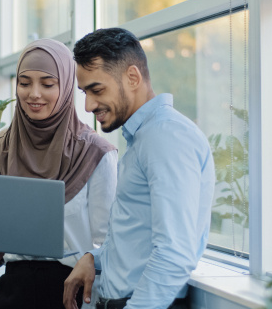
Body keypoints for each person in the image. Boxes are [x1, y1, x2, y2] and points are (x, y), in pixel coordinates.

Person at [63, 28, 216, 309]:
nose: (88, 105)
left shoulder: (166, 137)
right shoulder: (145, 137)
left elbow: (174, 253)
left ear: (132, 77)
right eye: (85, 92)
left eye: (97, 90)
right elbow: (136, 233)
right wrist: (93, 259)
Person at [0, 38, 117, 309]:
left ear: (65, 86)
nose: (34, 94)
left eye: (48, 84)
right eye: (24, 82)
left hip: (73, 293)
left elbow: (108, 239)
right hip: (12, 293)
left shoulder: (95, 153)